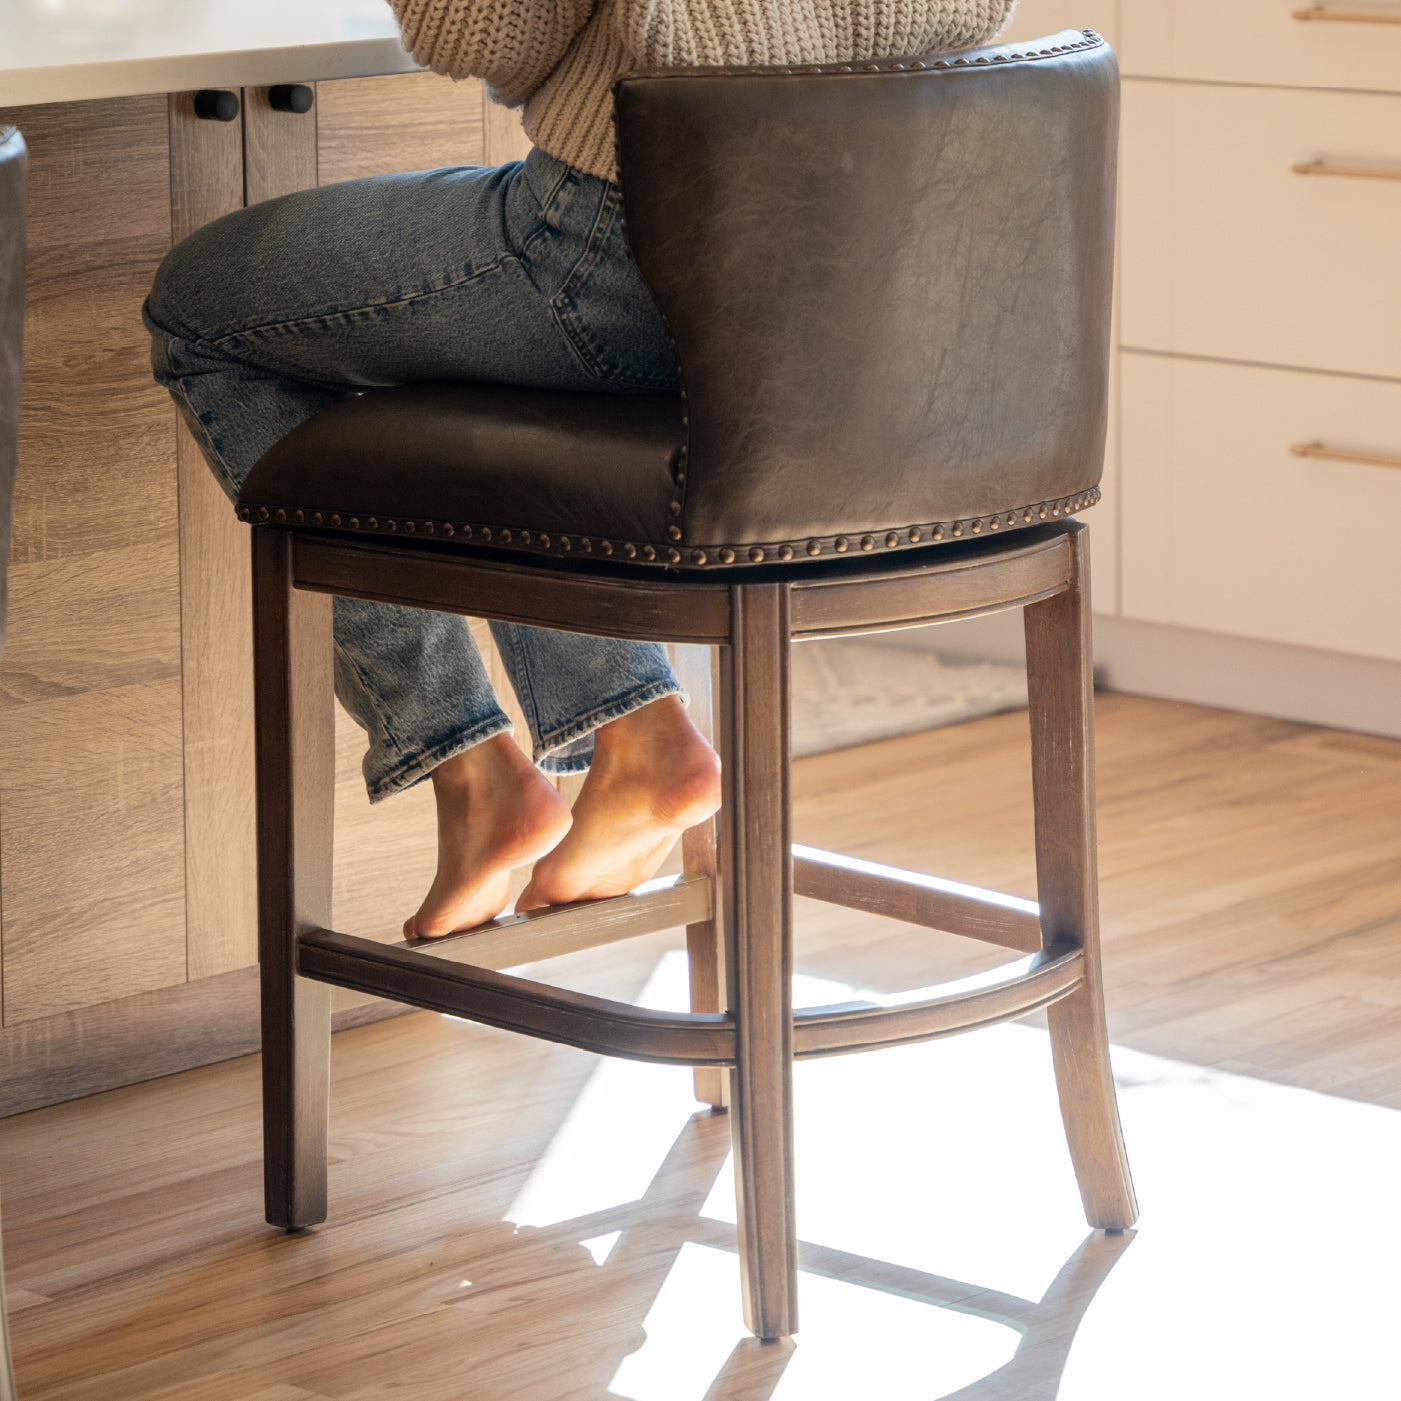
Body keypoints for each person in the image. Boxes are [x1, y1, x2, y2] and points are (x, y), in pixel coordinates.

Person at [144, 0, 1014, 939]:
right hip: (862, 276)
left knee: (199, 309)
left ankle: (470, 760)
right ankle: (635, 733)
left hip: (630, 251)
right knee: (490, 363)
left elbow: (479, 33)